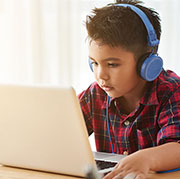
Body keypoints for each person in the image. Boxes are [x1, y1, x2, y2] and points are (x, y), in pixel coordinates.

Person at [78, 0, 180, 178]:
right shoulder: (95, 94)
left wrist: (147, 158)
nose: (101, 75)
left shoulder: (170, 91)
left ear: (147, 64)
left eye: (112, 64)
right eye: (94, 63)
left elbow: (177, 147)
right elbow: (62, 132)